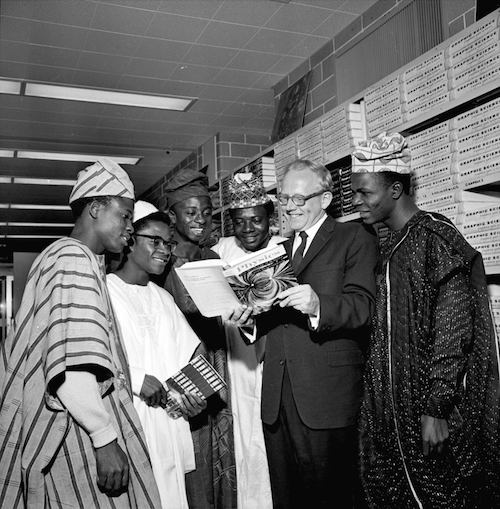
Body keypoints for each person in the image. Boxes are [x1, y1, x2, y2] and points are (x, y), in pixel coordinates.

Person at [0, 159, 162, 508]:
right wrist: (104, 439)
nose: (129, 227)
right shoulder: (74, 258)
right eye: (124, 215)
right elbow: (73, 363)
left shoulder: (53, 256)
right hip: (74, 432)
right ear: (96, 208)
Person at [351, 132, 500, 509]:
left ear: (396, 189)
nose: (357, 202)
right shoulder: (390, 247)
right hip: (393, 413)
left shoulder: (435, 238)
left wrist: (436, 408)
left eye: (365, 193)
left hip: (429, 414)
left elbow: (454, 332)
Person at [256, 159, 378, 509]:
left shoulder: (354, 237)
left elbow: (364, 307)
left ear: (325, 200)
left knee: (331, 498)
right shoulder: (279, 251)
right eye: (284, 199)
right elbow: (273, 320)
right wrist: (248, 317)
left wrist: (317, 305)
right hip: (278, 398)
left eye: (300, 199)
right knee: (287, 496)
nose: (290, 207)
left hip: (326, 399)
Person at [107, 200, 208, 509]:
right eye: (155, 241)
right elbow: (88, 359)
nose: (165, 249)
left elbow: (193, 354)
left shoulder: (163, 297)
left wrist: (194, 396)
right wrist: (136, 377)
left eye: (169, 242)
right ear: (129, 240)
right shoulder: (105, 291)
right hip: (128, 424)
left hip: (167, 424)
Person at [155, 168, 238, 509]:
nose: (201, 220)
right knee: (190, 459)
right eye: (190, 212)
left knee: (221, 456)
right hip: (179, 371)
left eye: (206, 212)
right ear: (172, 216)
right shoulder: (160, 263)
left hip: (216, 365)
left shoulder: (213, 258)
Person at [212, 174, 286, 509]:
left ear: (270, 219)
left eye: (256, 220)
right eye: (240, 222)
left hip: (277, 355)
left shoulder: (286, 249)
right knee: (244, 436)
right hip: (237, 357)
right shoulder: (219, 252)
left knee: (277, 441)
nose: (248, 229)